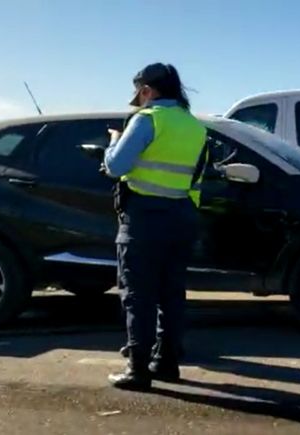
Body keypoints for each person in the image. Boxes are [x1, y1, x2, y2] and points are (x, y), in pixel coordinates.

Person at [102, 63, 207, 390]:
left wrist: (113, 144)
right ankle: (167, 362)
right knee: (171, 294)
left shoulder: (147, 120)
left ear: (148, 90)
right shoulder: (195, 127)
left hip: (145, 218)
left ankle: (138, 371)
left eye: (139, 92)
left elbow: (117, 165)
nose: (138, 99)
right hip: (183, 216)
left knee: (138, 295)